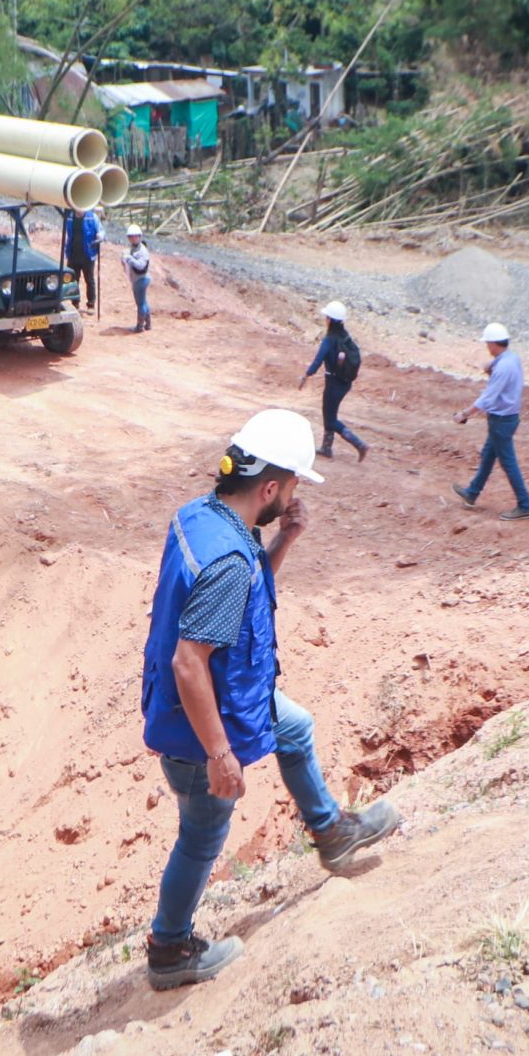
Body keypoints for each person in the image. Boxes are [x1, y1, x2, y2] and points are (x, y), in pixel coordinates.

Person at [139, 410, 402, 990]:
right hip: (202, 728)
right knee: (203, 836)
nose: (297, 492)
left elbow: (243, 596)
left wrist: (285, 540)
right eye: (295, 484)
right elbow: (190, 661)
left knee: (296, 726)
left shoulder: (203, 519)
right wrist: (219, 755)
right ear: (269, 488)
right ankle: (169, 949)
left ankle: (331, 833)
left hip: (235, 701)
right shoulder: (230, 559)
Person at [451, 322, 529, 520]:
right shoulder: (511, 359)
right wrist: (491, 369)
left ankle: (525, 505)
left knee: (508, 463)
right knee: (488, 456)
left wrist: (464, 414)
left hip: (501, 421)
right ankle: (472, 493)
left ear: (494, 344)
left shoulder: (503, 366)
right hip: (507, 418)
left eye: (488, 343)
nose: (487, 347)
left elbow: (487, 399)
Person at [297, 302, 368, 462]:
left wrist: (306, 375)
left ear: (329, 319)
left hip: (333, 383)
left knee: (331, 419)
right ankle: (326, 447)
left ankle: (359, 444)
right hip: (344, 383)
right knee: (330, 413)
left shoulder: (330, 339)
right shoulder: (345, 336)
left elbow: (318, 360)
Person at [64, 208, 103, 316]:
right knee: (73, 280)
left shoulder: (92, 217)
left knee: (89, 280)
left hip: (88, 255)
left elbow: (101, 231)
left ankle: (91, 305)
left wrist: (100, 236)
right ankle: (75, 303)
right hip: (73, 254)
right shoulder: (70, 217)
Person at [124, 224, 154, 332]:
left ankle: (140, 325)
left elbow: (141, 265)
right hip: (137, 279)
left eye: (135, 236)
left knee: (140, 303)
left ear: (139, 237)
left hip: (142, 278)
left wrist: (130, 259)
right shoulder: (133, 248)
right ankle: (148, 323)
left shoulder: (142, 250)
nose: (133, 239)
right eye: (130, 237)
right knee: (143, 301)